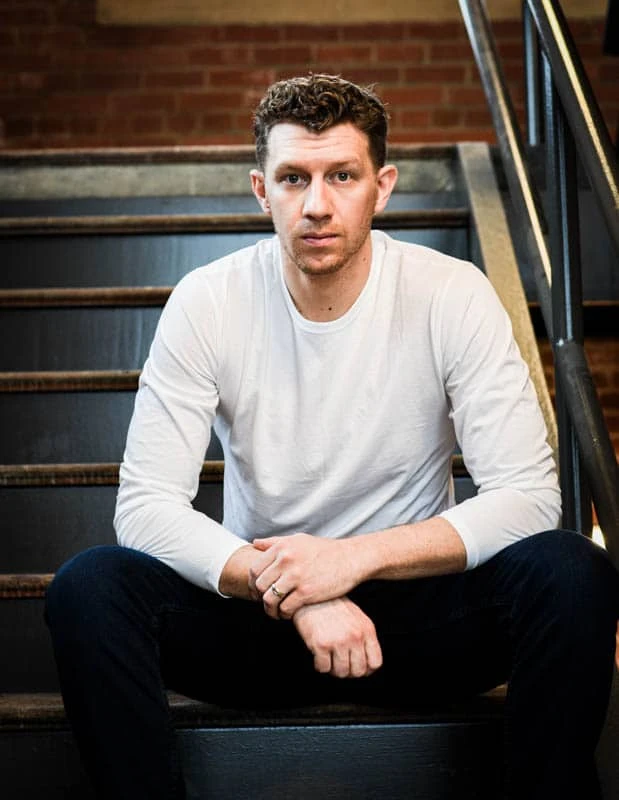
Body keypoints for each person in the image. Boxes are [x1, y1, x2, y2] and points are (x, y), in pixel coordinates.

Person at [45, 74, 618, 799]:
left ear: (381, 187)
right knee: (88, 588)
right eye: (293, 178)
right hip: (263, 622)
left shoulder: (450, 292)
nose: (316, 204)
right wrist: (301, 592)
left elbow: (528, 498)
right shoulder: (207, 301)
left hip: (420, 625)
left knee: (572, 572)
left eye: (341, 175)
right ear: (261, 190)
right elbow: (146, 508)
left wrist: (348, 562)